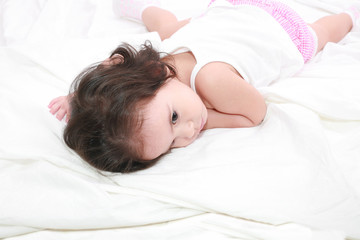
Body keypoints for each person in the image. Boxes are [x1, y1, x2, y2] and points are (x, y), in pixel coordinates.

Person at [48, 0, 359, 173]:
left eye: (174, 119)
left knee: (319, 35)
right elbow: (115, 66)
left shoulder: (214, 80)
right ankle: (142, 9)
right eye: (172, 142)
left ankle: (348, 17)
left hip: (283, 28)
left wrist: (210, 118)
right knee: (169, 28)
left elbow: (256, 114)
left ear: (157, 72)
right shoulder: (161, 63)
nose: (188, 132)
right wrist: (79, 100)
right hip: (224, 12)